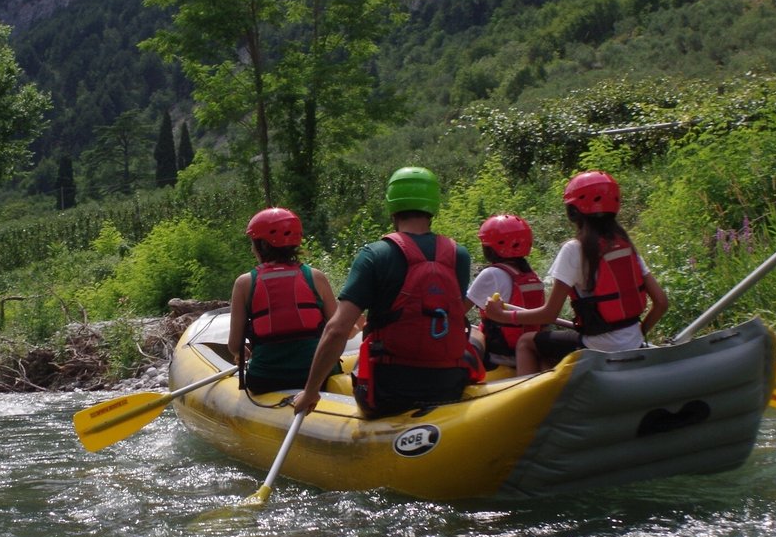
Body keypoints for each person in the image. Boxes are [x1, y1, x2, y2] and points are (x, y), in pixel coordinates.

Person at [291, 167, 479, 420]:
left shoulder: (375, 255)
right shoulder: (460, 255)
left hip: (388, 393)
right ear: (433, 204)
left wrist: (310, 391)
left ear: (392, 205)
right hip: (450, 385)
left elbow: (337, 329)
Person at [483, 171, 669, 374]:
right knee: (547, 346)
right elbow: (661, 303)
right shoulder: (626, 246)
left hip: (596, 347)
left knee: (527, 342)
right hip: (633, 342)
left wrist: (503, 316)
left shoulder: (575, 249)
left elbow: (549, 314)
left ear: (573, 211)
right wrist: (637, 335)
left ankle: (524, 400)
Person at [228, 207, 338, 393]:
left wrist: (240, 353)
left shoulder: (244, 283)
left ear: (261, 245)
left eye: (253, 242)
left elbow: (234, 344)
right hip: (320, 376)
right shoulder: (316, 277)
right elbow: (337, 332)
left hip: (266, 378)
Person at [466, 214, 545, 372]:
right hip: (529, 351)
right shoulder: (531, 276)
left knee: (470, 329)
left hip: (499, 355)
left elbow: (459, 310)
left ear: (490, 248)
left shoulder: (491, 274)